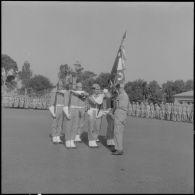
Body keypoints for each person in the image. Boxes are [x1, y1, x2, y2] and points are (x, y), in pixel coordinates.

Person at [109, 83, 129, 155]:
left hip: (120, 114)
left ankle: (119, 149)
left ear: (120, 88)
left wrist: (112, 113)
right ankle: (117, 147)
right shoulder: (122, 95)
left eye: (118, 88)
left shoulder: (122, 95)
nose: (117, 90)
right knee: (117, 132)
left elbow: (117, 105)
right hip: (120, 114)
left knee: (118, 132)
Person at [87, 83, 105, 148]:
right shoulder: (90, 96)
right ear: (93, 90)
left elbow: (109, 96)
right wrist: (102, 96)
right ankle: (91, 140)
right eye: (97, 89)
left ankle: (94, 139)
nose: (98, 90)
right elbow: (95, 102)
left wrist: (106, 92)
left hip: (99, 112)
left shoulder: (101, 95)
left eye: (99, 89)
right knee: (91, 127)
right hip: (92, 111)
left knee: (97, 127)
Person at [49, 80, 66, 144]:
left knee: (60, 124)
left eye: (62, 85)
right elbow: (51, 102)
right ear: (57, 85)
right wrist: (52, 112)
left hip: (62, 108)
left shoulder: (64, 92)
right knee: (55, 123)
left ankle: (58, 137)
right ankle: (54, 137)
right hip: (56, 107)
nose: (60, 86)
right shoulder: (54, 91)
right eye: (59, 85)